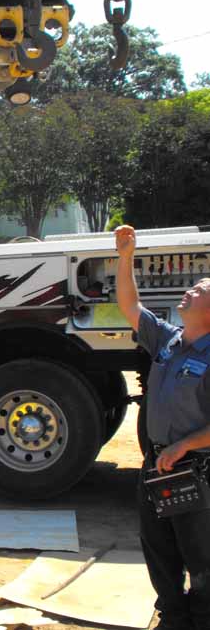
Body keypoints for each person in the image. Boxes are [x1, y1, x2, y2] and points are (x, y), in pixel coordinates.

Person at [115, 225, 210, 630]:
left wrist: (184, 445)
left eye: (201, 288)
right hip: (158, 465)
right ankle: (173, 617)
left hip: (196, 469)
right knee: (158, 548)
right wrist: (125, 257)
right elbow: (130, 305)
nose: (190, 289)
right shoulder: (169, 340)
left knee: (201, 556)